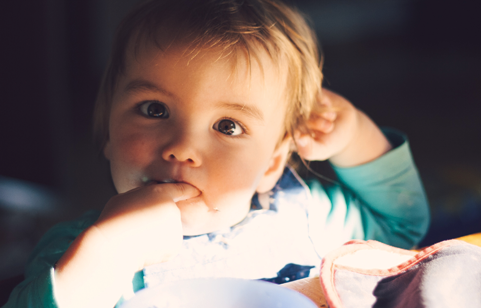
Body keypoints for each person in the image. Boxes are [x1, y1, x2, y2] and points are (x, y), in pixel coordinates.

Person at [3, 0, 429, 307]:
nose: (182, 148)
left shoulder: (308, 218)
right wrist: (105, 254)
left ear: (273, 163)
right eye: (154, 110)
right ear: (109, 132)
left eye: (228, 126)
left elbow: (401, 226)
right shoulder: (79, 250)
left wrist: (358, 137)